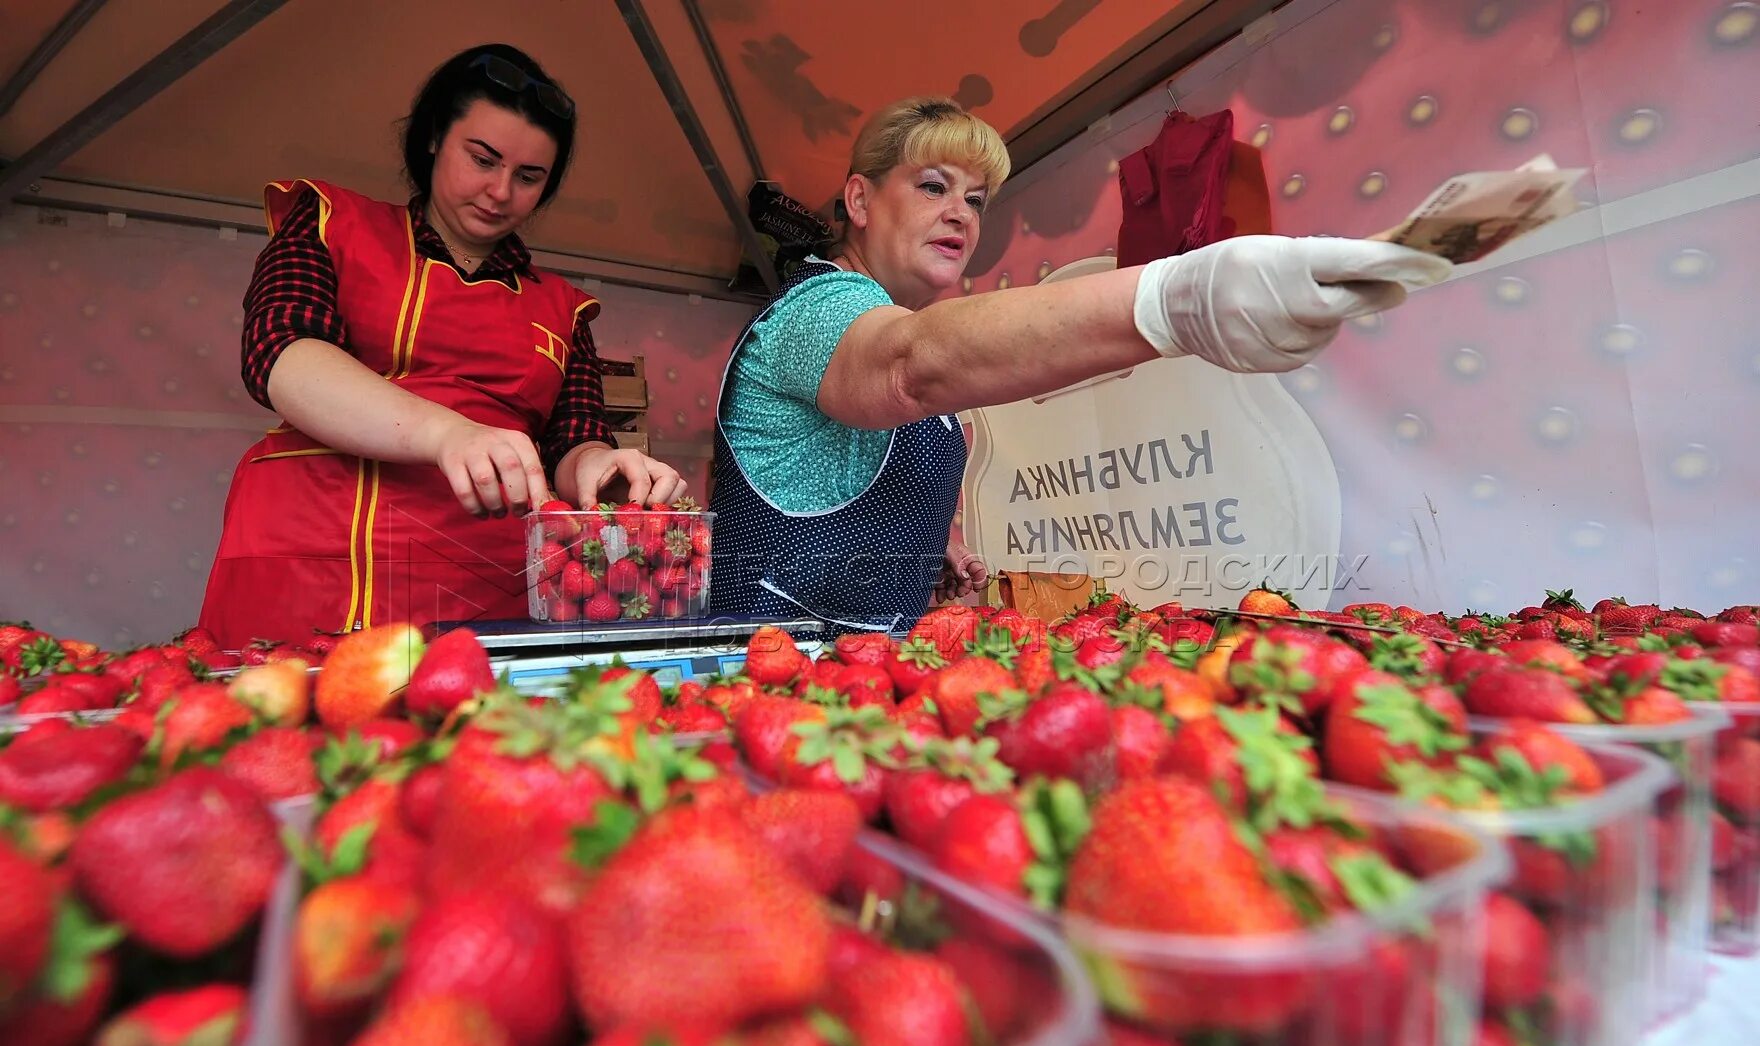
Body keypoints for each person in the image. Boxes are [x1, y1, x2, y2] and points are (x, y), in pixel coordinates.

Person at [708, 97, 1451, 636]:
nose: (963, 214)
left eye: (976, 198)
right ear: (860, 200)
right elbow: (907, 366)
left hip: (874, 688)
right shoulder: (816, 309)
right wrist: (1179, 299)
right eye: (932, 186)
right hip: (764, 682)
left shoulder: (893, 325)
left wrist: (935, 544)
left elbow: (843, 469)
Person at [199, 44, 686, 648]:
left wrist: (601, 469)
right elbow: (280, 352)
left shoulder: (565, 309)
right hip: (311, 553)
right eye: (482, 159)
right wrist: (449, 434)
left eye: (529, 177)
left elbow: (572, 438)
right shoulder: (328, 222)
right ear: (433, 137)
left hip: (476, 585)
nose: (500, 191)